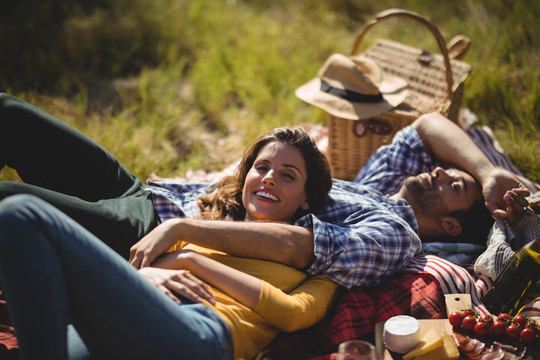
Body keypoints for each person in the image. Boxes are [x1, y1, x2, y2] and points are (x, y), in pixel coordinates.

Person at [0, 126, 338, 359]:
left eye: (287, 175)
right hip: (135, 313)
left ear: (306, 198)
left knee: (21, 213)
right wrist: (151, 273)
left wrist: (190, 261)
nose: (269, 178)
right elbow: (141, 271)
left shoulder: (318, 266)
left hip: (201, 334)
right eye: (261, 167)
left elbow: (293, 314)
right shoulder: (209, 226)